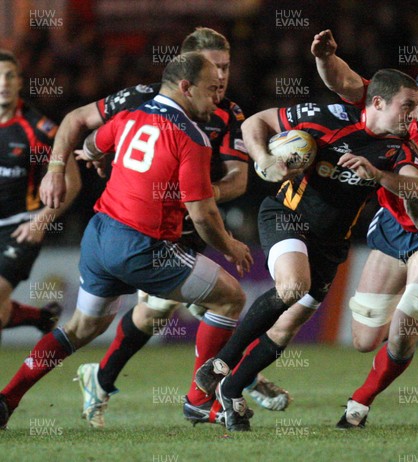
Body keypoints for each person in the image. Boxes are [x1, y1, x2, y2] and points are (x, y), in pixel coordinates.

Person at [39, 28, 290, 428]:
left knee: (157, 312)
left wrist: (190, 197)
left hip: (188, 227)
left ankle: (108, 379)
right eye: (213, 67)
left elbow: (238, 181)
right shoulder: (143, 97)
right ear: (188, 70)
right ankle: (227, 380)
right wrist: (60, 166)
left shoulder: (230, 114)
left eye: (226, 67)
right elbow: (75, 121)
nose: (221, 76)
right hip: (141, 226)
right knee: (185, 306)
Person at [0, 52, 253, 430]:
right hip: (144, 247)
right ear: (185, 87)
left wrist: (101, 160)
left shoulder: (130, 115)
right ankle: (200, 400)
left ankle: (8, 398)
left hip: (100, 236)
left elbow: (93, 143)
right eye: (208, 89)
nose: (214, 99)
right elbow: (202, 213)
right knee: (230, 296)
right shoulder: (192, 137)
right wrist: (230, 245)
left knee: (81, 328)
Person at [195, 68, 418, 432]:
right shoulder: (328, 117)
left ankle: (231, 391)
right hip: (287, 216)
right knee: (293, 286)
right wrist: (264, 161)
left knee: (287, 326)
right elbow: (255, 122)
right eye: (408, 105)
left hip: (331, 244)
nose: (415, 114)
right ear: (378, 102)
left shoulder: (398, 150)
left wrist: (379, 175)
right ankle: (219, 364)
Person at [311, 29, 418, 428]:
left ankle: (358, 406)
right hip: (391, 226)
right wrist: (324, 58)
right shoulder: (400, 107)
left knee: (409, 319)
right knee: (363, 340)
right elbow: (349, 83)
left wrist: (379, 174)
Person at [0, 50, 81, 341]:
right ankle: (38, 316)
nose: (3, 82)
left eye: (10, 75)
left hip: (20, 228)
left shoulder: (39, 130)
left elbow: (72, 182)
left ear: (20, 82)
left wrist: (41, 221)